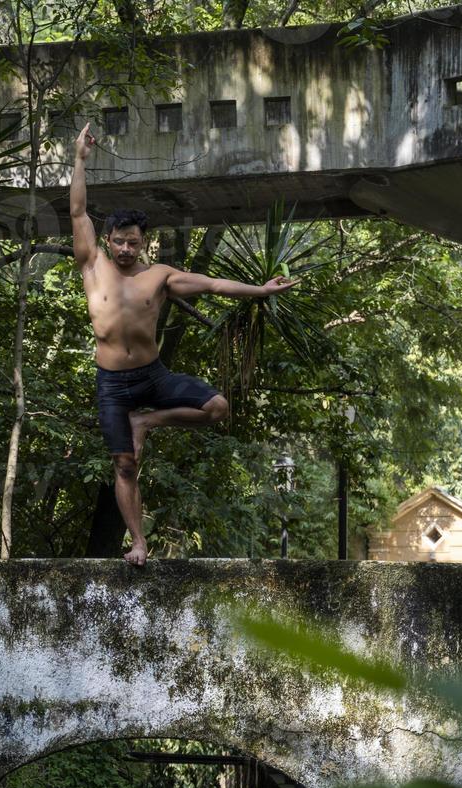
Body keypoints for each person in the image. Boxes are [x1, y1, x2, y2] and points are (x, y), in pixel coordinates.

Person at [71, 121, 297, 566]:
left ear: (142, 243)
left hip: (153, 378)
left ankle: (146, 424)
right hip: (112, 384)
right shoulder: (91, 264)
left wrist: (261, 290)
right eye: (118, 241)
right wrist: (79, 158)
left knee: (217, 407)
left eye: (132, 243)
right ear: (109, 241)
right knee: (124, 466)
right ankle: (138, 543)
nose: (124, 250)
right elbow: (78, 213)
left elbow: (212, 284)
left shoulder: (160, 276)